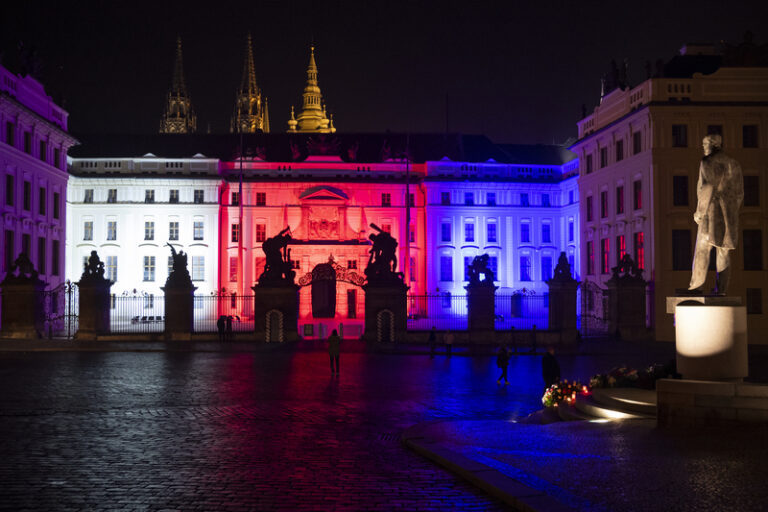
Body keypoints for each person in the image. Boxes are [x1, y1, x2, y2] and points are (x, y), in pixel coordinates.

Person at [689, 134, 743, 294]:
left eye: (705, 144)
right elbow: (740, 193)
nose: (703, 147)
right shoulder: (734, 164)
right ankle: (721, 291)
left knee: (703, 248)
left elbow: (707, 187)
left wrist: (699, 212)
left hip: (711, 212)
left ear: (713, 145)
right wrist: (732, 211)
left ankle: (697, 286)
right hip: (730, 213)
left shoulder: (707, 162)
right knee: (723, 250)